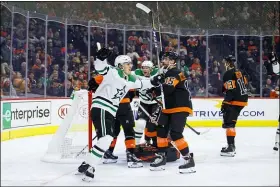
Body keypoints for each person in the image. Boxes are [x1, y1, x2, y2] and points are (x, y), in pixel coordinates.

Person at [77, 49, 143, 182]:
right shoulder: (112, 72)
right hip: (102, 107)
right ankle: (91, 166)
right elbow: (100, 68)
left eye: (131, 63)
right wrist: (100, 58)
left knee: (106, 139)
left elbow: (142, 83)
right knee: (108, 137)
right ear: (119, 66)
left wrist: (156, 81)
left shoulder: (129, 79)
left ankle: (86, 163)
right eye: (127, 64)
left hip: (110, 110)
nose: (131, 66)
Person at [148, 51, 195, 174]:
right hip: (168, 107)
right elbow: (163, 90)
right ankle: (161, 157)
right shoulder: (168, 73)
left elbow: (168, 89)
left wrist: (158, 81)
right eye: (163, 59)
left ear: (173, 61)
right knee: (161, 131)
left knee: (175, 134)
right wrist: (154, 90)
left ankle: (188, 160)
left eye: (166, 59)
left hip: (179, 107)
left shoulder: (174, 72)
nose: (163, 61)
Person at [220, 55, 249, 157]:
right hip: (243, 98)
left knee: (229, 124)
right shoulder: (239, 72)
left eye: (225, 62)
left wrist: (225, 103)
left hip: (235, 100)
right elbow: (245, 83)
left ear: (228, 63)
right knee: (230, 123)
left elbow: (230, 90)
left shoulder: (228, 74)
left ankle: (231, 147)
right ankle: (231, 145)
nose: (224, 64)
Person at [133, 61, 160, 147]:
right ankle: (135, 145)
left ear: (151, 69)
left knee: (153, 124)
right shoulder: (137, 74)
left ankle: (155, 142)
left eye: (147, 68)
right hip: (143, 103)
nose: (144, 69)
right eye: (143, 67)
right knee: (140, 124)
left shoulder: (157, 75)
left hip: (155, 104)